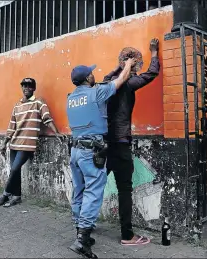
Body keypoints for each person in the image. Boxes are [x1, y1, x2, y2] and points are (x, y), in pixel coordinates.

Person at [66, 58, 137, 258]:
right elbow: (120, 80)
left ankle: (80, 231)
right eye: (91, 72)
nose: (93, 74)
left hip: (75, 151)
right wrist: (128, 65)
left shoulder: (71, 98)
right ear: (88, 77)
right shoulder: (96, 92)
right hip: (91, 151)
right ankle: (82, 240)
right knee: (93, 192)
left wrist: (116, 66)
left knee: (79, 190)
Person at [103, 38, 160, 246]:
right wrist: (154, 53)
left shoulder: (106, 82)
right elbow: (151, 74)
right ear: (132, 66)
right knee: (124, 189)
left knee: (94, 185)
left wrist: (121, 65)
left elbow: (110, 75)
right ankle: (127, 235)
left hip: (104, 144)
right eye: (136, 66)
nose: (137, 70)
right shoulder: (127, 84)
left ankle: (82, 227)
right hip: (121, 143)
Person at [0, 77, 64, 208]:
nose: (26, 88)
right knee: (15, 170)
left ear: (34, 88)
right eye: (24, 86)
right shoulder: (17, 105)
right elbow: (11, 126)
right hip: (14, 143)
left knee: (14, 169)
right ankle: (17, 196)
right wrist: (4, 143)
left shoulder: (39, 102)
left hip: (27, 145)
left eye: (29, 86)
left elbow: (47, 119)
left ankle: (4, 194)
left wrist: (57, 132)